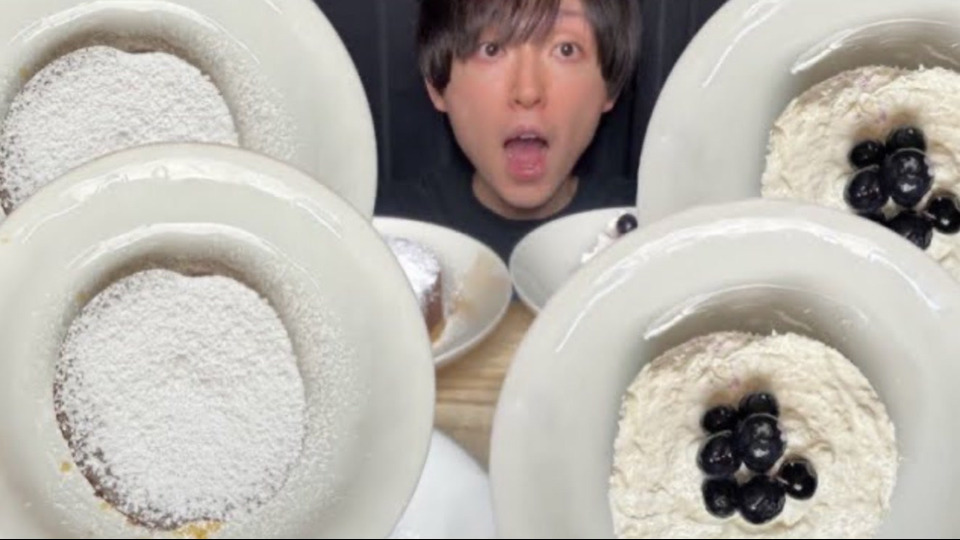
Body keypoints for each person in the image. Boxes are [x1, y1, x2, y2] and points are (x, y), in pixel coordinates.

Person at [377, 0, 641, 262]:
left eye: (566, 49)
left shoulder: (653, 227)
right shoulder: (377, 234)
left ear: (611, 86)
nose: (528, 91)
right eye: (491, 49)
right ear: (437, 86)